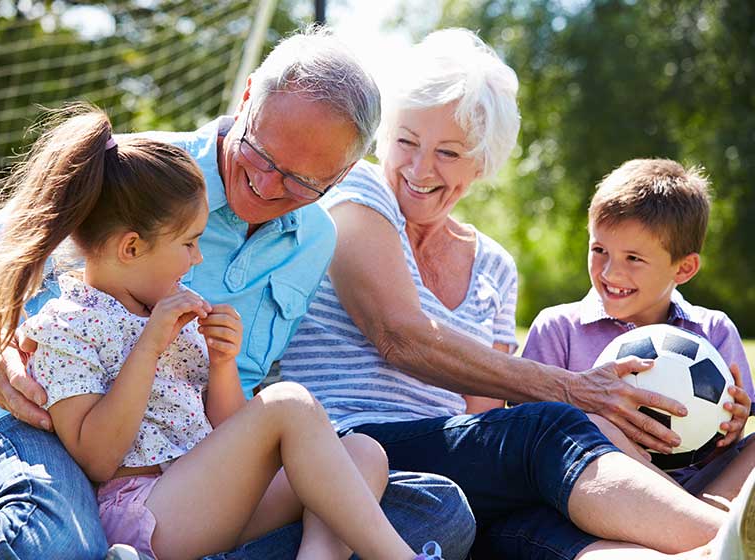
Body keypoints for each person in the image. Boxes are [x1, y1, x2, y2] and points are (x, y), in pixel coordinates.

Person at [0, 28, 474, 560]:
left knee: (430, 503)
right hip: (46, 420)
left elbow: (229, 417)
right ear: (249, 95)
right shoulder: (134, 174)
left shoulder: (315, 240)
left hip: (195, 466)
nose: (267, 185)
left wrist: (225, 365)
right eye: (263, 155)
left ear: (346, 171)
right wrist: (2, 354)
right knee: (58, 545)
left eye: (304, 182)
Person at [280, 28, 755, 559]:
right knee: (548, 428)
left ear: (482, 161)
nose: (420, 169)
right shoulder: (358, 193)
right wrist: (574, 390)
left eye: (449, 153)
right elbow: (400, 336)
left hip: (449, 459)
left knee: (542, 528)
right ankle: (722, 540)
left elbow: (484, 420)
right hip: (349, 443)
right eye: (406, 142)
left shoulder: (494, 267)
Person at [522, 158, 754, 504]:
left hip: (703, 487)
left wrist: (732, 428)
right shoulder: (559, 329)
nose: (610, 273)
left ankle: (704, 518)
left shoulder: (713, 330)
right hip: (606, 489)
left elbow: (729, 442)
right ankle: (695, 522)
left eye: (633, 258)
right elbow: (529, 431)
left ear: (685, 268)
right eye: (599, 250)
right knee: (599, 429)